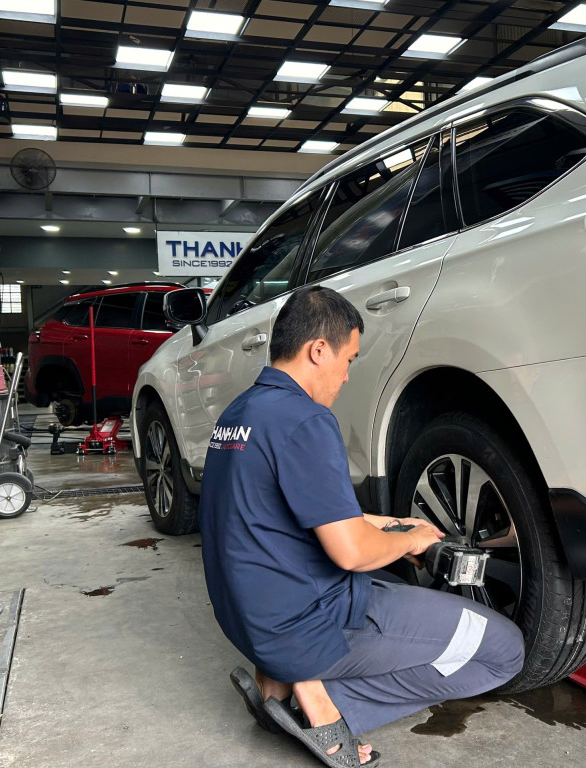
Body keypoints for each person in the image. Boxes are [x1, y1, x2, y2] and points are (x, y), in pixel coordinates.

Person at [199, 285, 524, 768]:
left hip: (248, 620)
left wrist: (395, 525)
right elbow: (351, 551)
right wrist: (409, 540)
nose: (347, 375)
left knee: (391, 581)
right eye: (348, 359)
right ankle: (322, 704)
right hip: (309, 624)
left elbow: (295, 512)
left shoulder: (241, 413)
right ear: (318, 350)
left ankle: (281, 683)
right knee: (504, 650)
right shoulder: (307, 420)